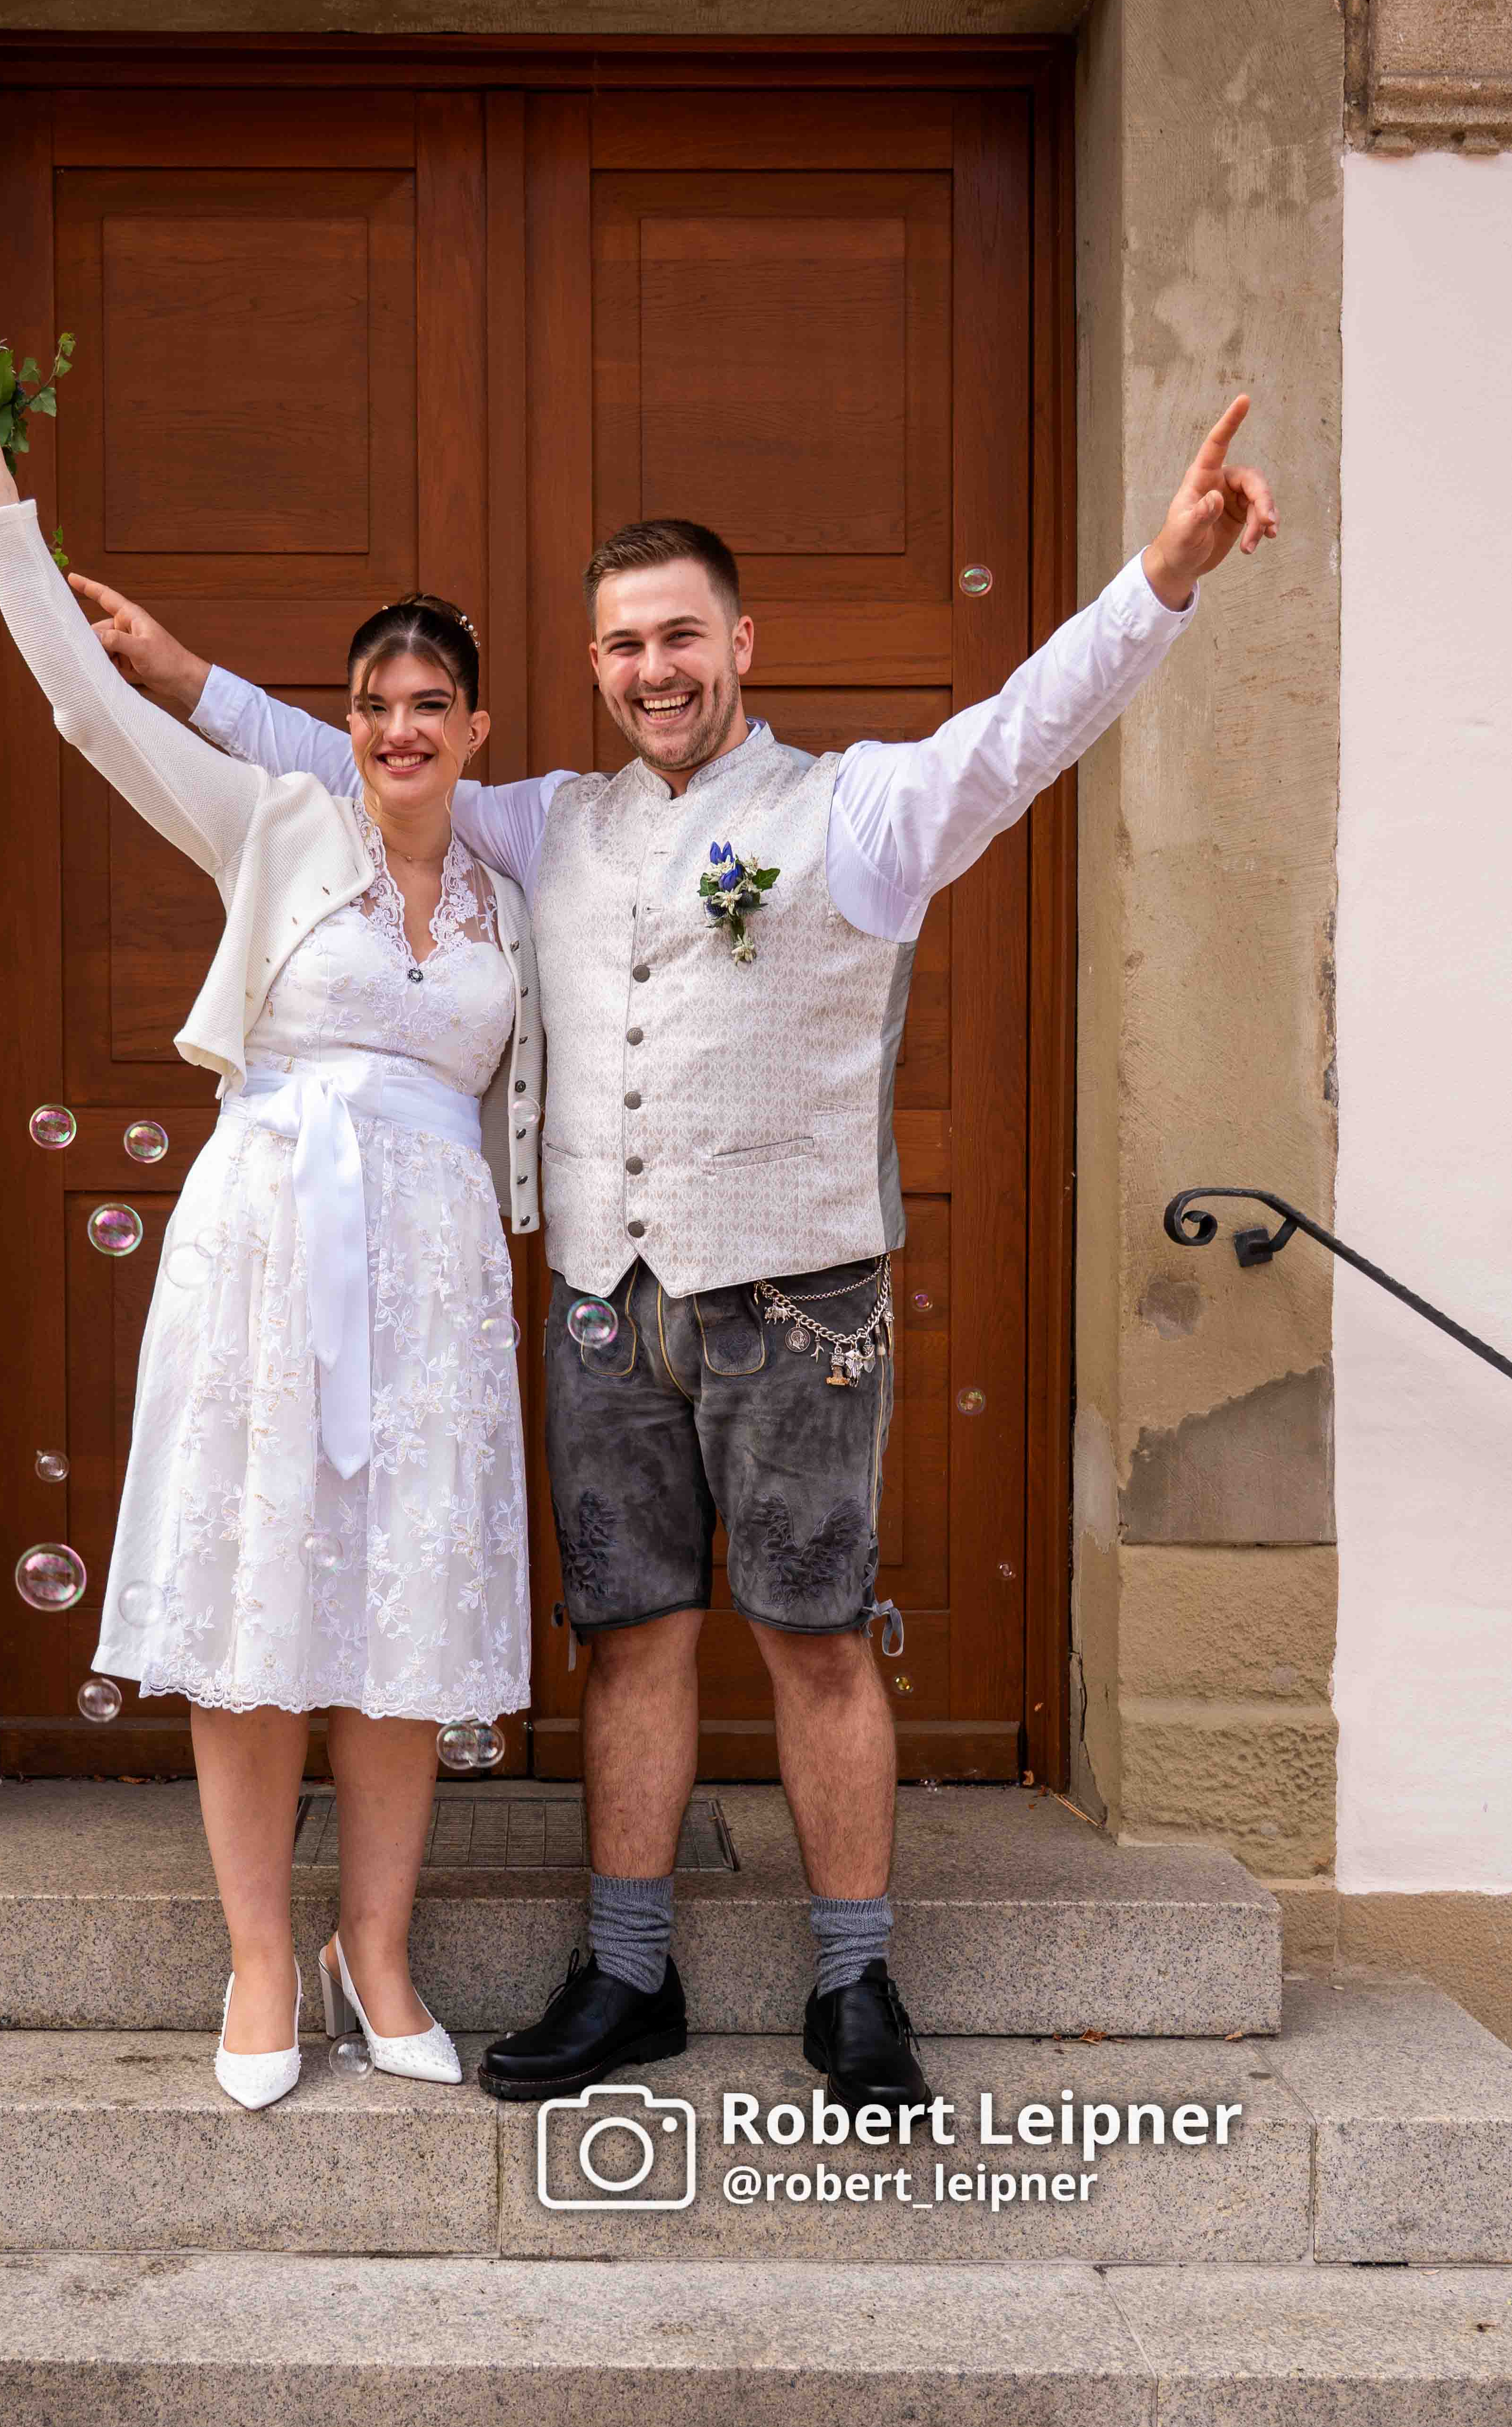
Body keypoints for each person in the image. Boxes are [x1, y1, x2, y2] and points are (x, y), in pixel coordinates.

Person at [74, 394, 1279, 2115]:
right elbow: (337, 757)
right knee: (628, 1637)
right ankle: (626, 1971)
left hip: (797, 1296)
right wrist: (183, 675)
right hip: (602, 1307)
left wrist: (1160, 579)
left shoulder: (862, 811)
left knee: (812, 1634)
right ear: (591, 662)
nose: (654, 668)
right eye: (625, 644)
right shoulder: (545, 822)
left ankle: (855, 1987)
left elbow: (1023, 729)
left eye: (682, 637)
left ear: (740, 643)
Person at [0, 383, 543, 2112]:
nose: (397, 728)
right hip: (269, 1245)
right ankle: (264, 1954)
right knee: (264, 1598)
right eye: (369, 706)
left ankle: (378, 1949)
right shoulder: (273, 826)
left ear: (476, 730)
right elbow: (91, 711)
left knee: (401, 1612)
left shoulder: (509, 902)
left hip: (432, 1278)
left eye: (429, 704)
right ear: (341, 728)